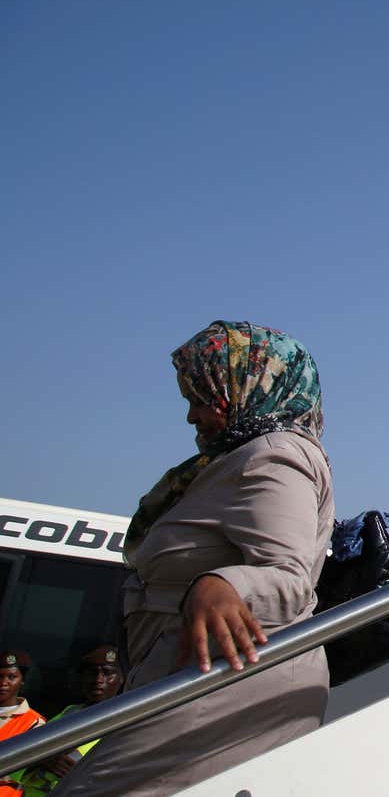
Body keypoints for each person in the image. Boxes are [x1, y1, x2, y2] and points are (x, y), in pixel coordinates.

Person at [55, 321, 335, 796]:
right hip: (194, 675)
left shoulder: (276, 455)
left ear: (250, 385)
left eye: (201, 397)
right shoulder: (239, 457)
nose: (191, 416)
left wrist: (221, 584)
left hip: (225, 683)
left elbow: (288, 579)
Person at [15, 647, 122, 796]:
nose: (98, 679)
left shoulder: (126, 721)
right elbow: (26, 752)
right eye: (92, 673)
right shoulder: (69, 713)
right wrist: (45, 759)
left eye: (107, 673)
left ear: (121, 678)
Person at [0, 651, 45, 797]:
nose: (3, 682)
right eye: (0, 676)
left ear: (22, 680)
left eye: (11, 677)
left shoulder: (34, 722)